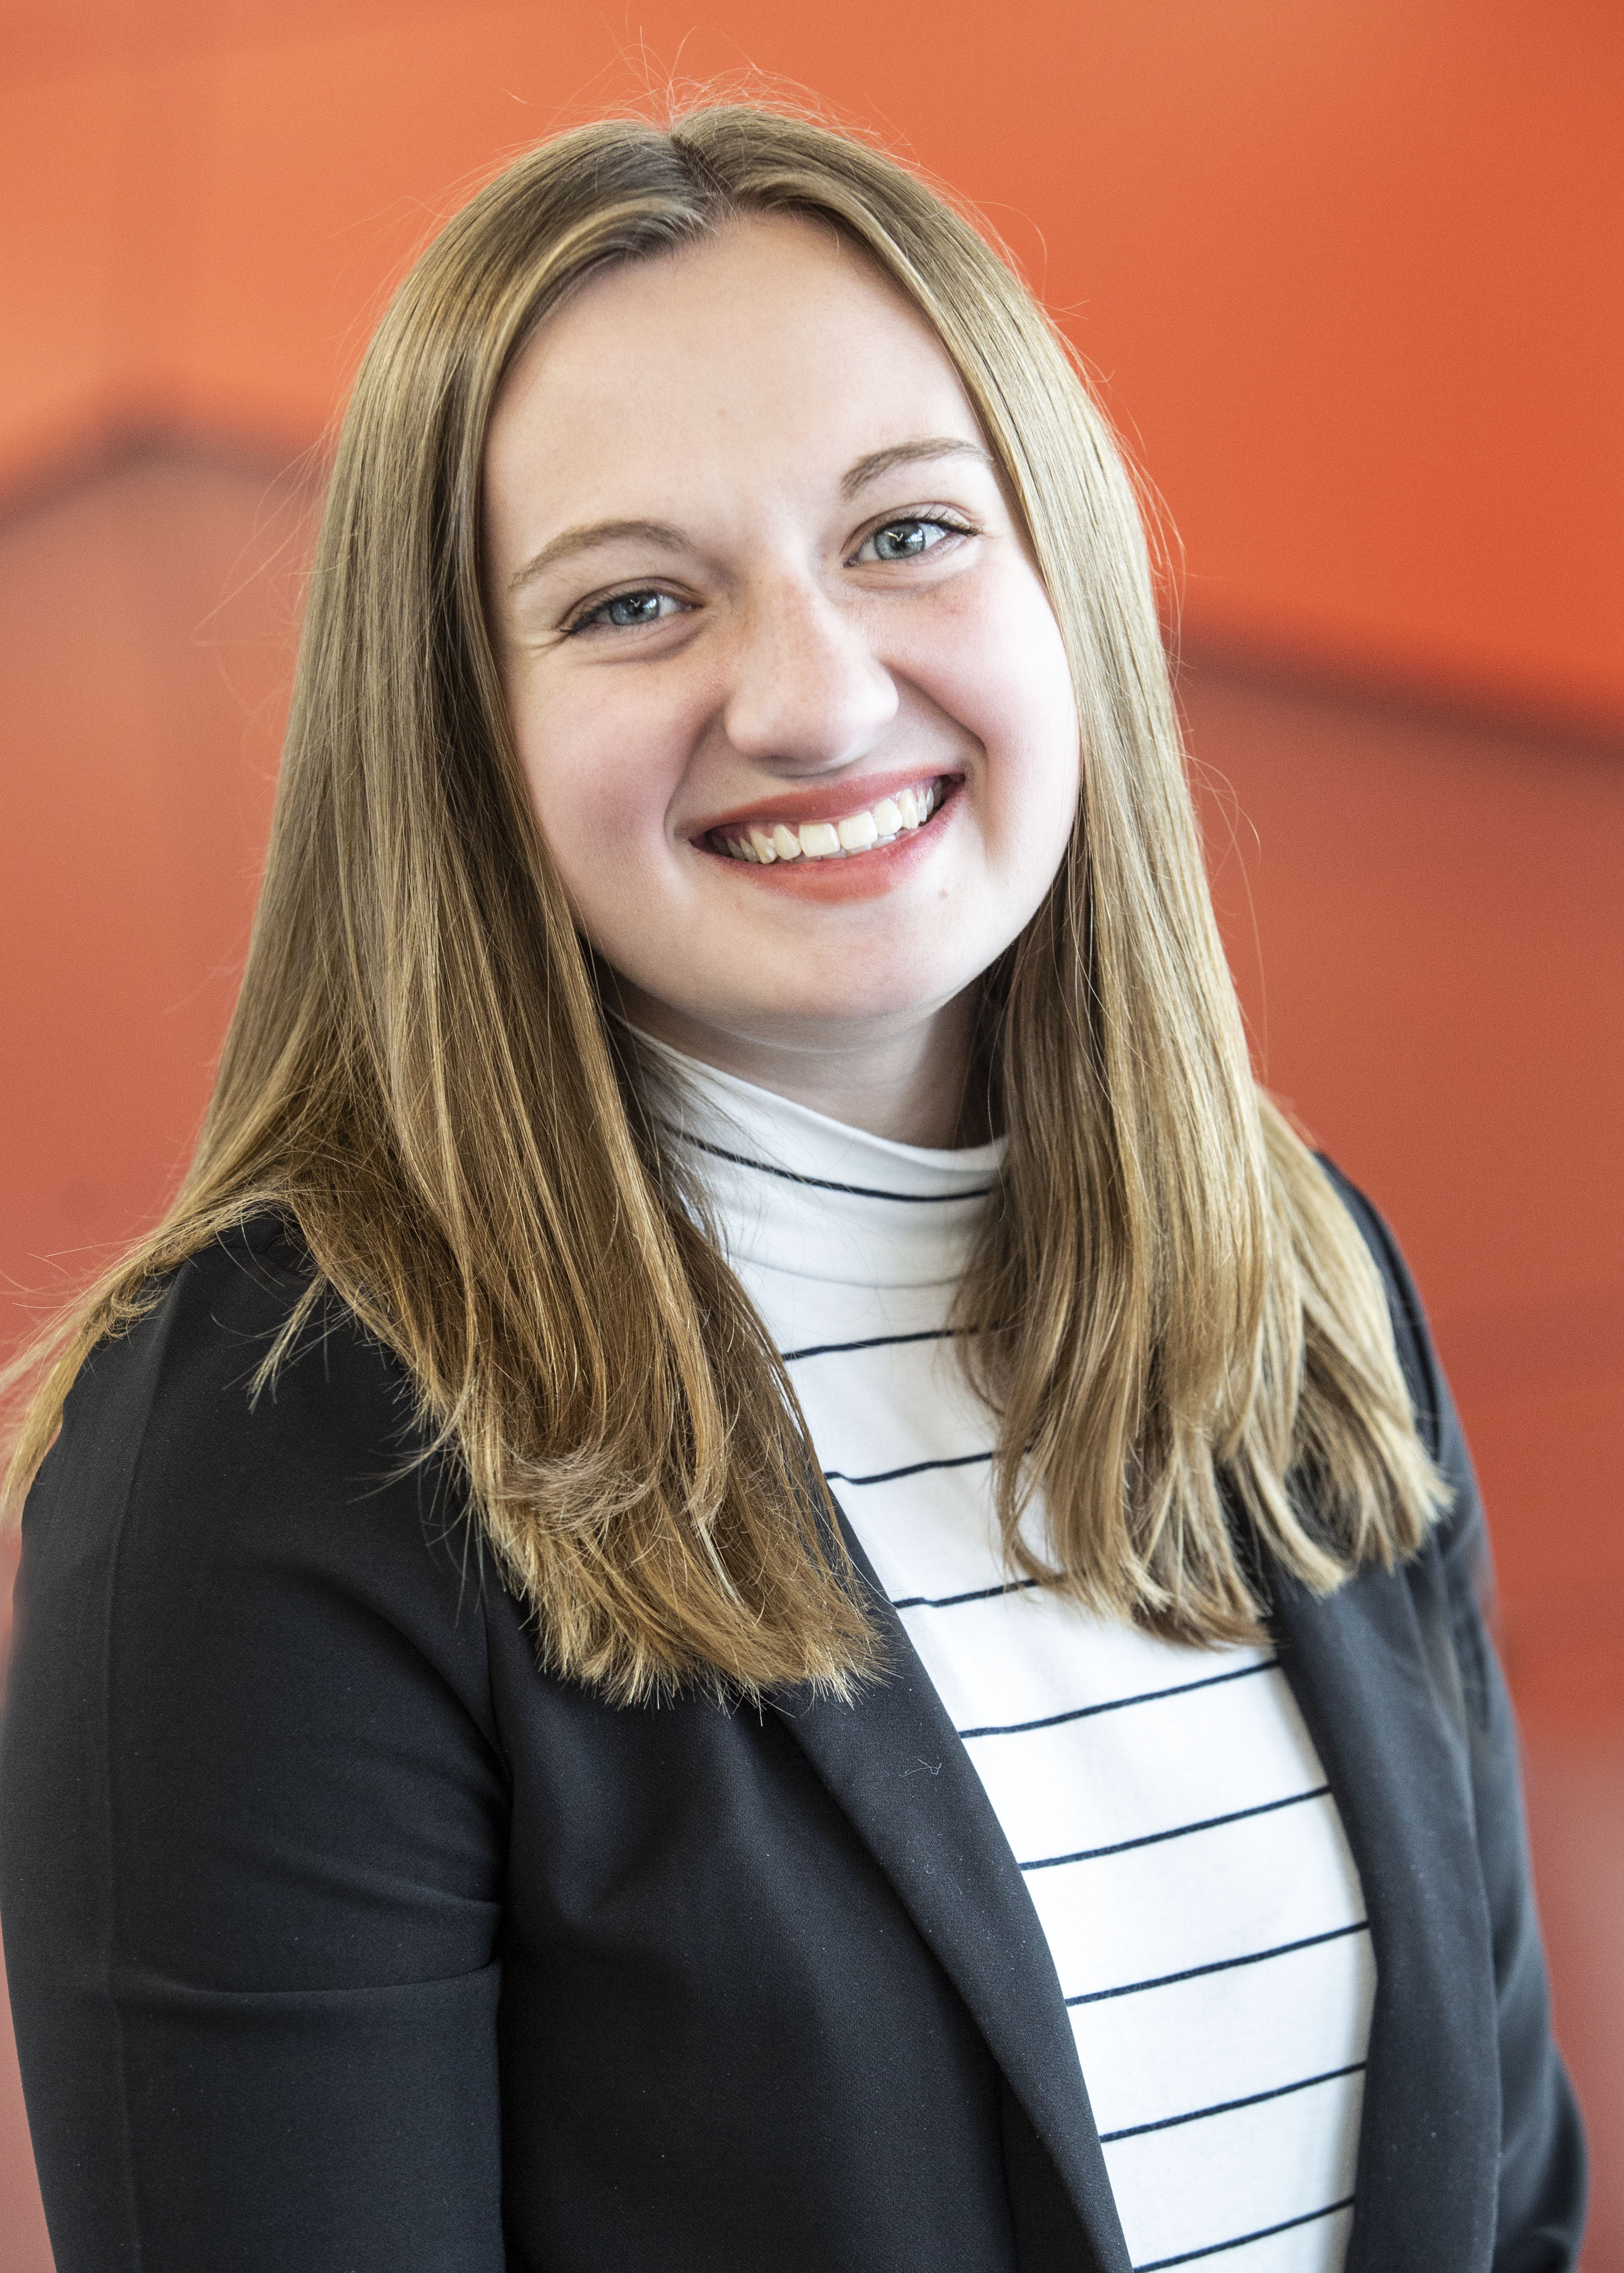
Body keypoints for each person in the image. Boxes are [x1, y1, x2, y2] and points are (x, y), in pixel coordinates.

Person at [0, 103, 1584, 2273]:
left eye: (905, 533)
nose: (817, 698)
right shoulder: (278, 1433)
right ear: (457, 731)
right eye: (634, 600)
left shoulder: (1298, 1278)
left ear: (1064, 578)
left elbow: (1500, 2211)